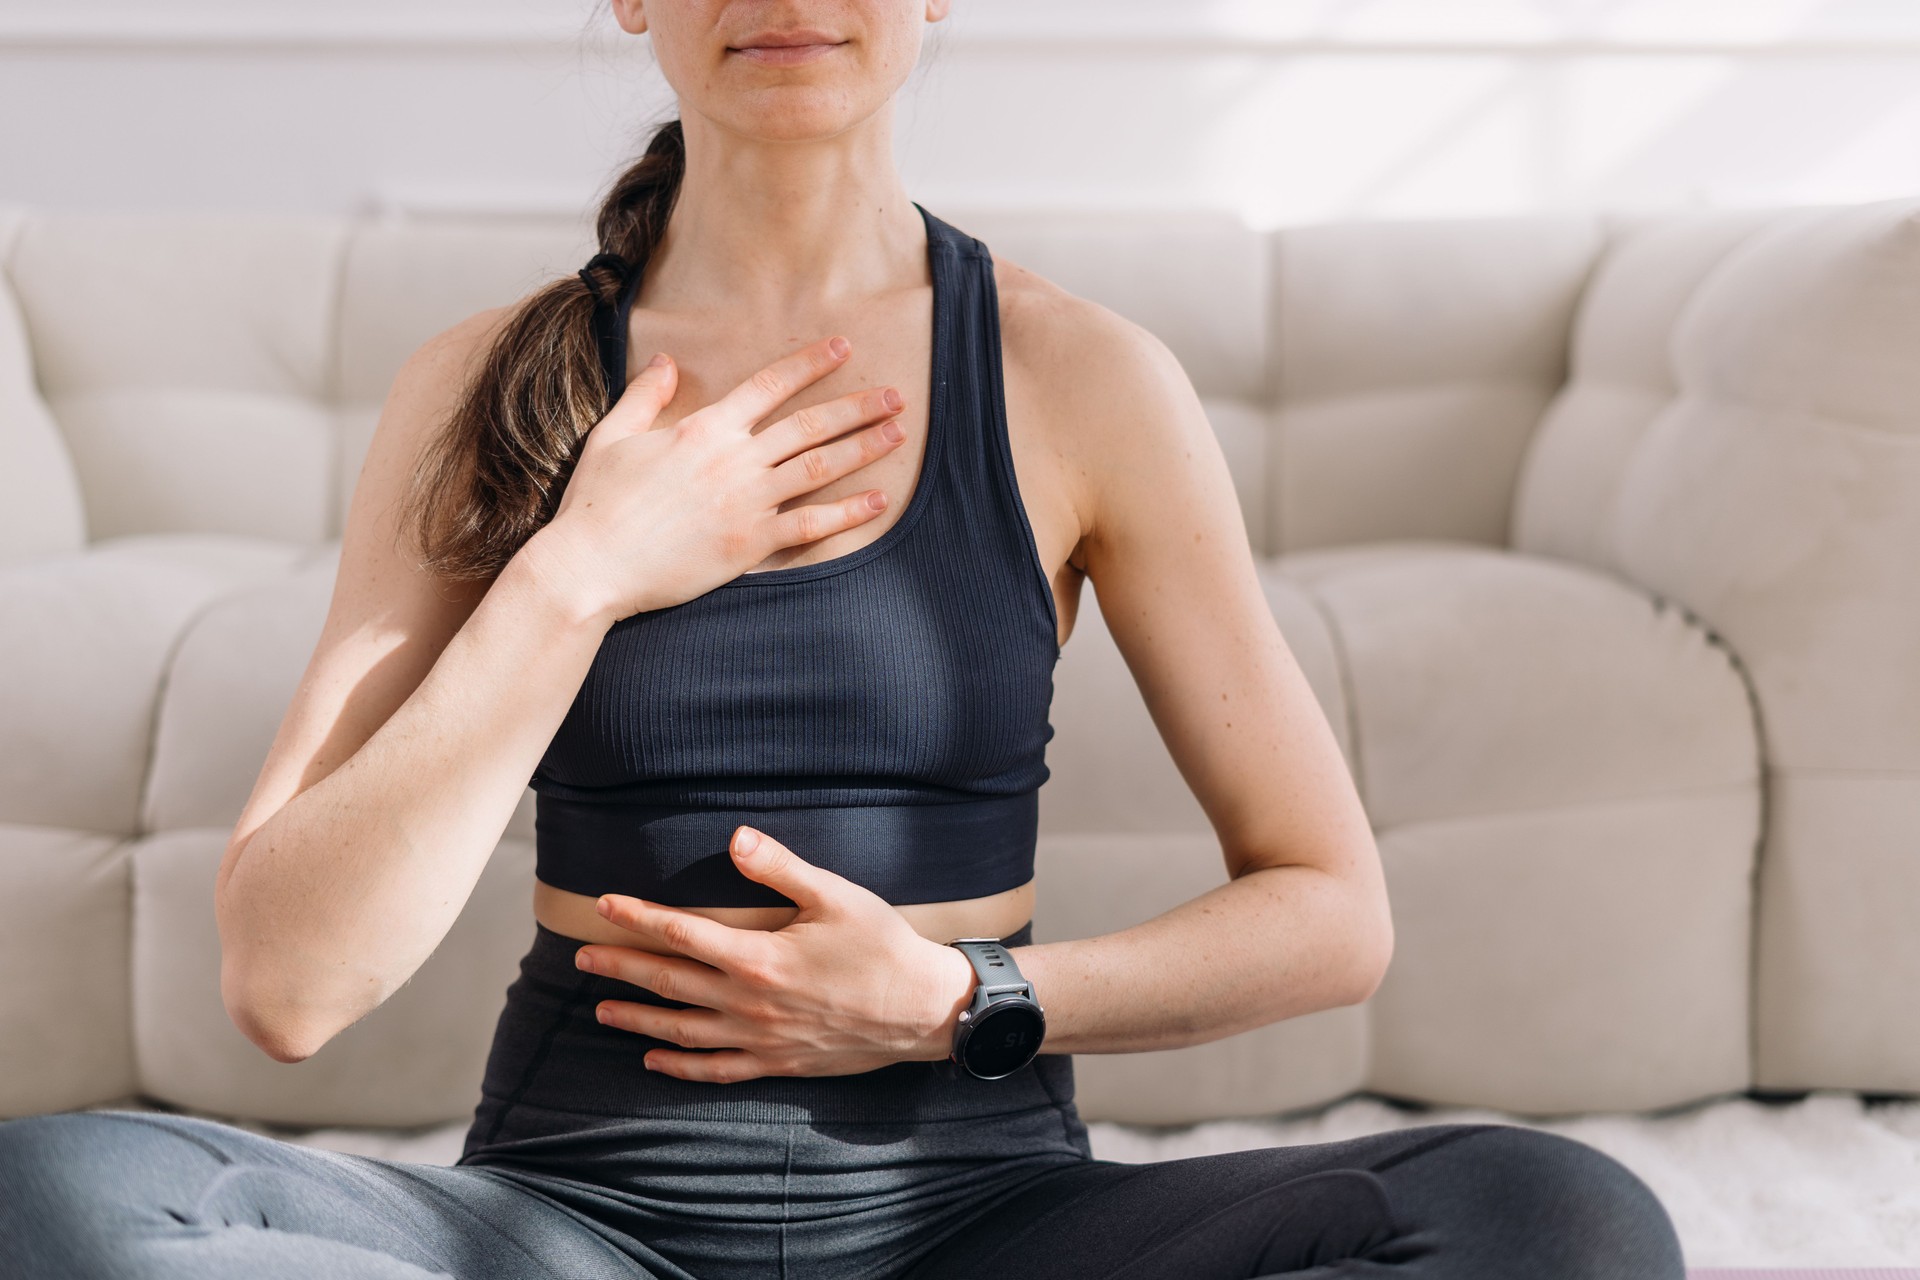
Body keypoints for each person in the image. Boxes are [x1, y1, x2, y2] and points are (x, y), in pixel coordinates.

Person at [0, 2, 1689, 1276]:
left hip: (991, 1217)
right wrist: (582, 571)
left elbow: (1330, 914)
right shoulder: (483, 386)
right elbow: (288, 983)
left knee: (1558, 1217)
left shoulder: (1079, 376)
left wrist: (962, 1000)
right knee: (49, 1202)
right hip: (581, 1221)